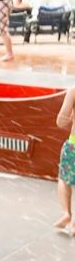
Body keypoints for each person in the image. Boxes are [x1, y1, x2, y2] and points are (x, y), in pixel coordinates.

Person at [56, 87, 75, 234]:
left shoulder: (73, 91)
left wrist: (68, 117)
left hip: (74, 145)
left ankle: (67, 213)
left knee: (64, 179)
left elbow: (60, 122)